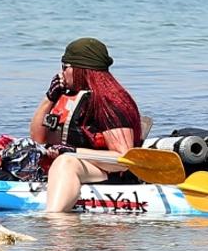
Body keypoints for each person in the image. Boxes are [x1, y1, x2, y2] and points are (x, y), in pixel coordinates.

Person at [30, 37, 143, 212]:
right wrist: (49, 98)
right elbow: (38, 138)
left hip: (109, 173)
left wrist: (73, 153)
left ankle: (54, 219)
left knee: (66, 162)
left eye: (64, 67)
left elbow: (123, 159)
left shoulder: (110, 103)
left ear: (78, 69)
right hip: (79, 165)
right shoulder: (66, 96)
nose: (60, 73)